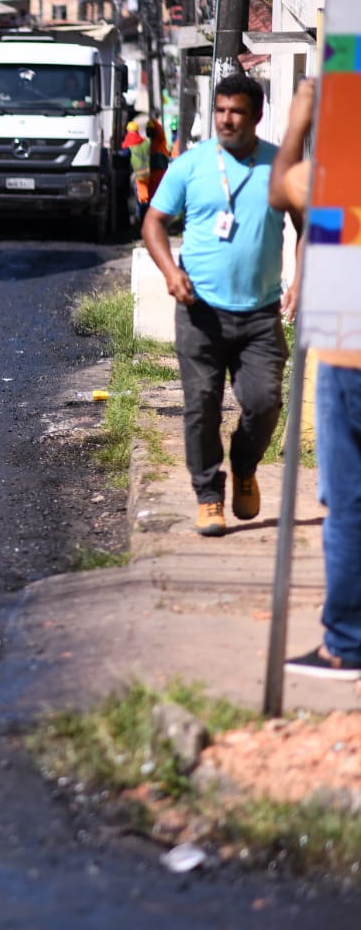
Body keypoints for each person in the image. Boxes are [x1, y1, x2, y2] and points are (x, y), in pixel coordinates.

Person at [142, 73, 292, 537]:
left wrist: (302, 279)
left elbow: (311, 225)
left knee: (265, 402)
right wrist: (171, 273)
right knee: (200, 405)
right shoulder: (190, 165)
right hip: (200, 311)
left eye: (237, 111)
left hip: (261, 313)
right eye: (221, 110)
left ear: (257, 115)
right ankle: (209, 495)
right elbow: (154, 222)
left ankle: (244, 467)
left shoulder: (279, 167)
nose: (226, 120)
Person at [269, 78, 361, 679]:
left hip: (349, 347)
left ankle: (345, 643)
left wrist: (300, 116)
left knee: (347, 498)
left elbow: (281, 190)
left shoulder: (339, 175)